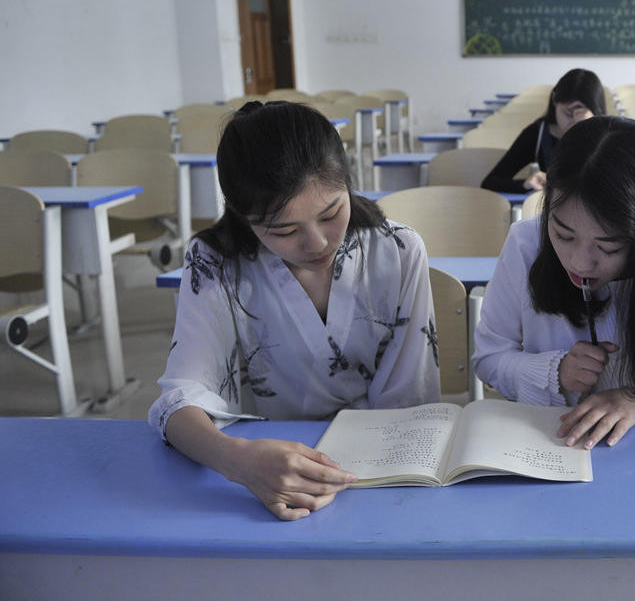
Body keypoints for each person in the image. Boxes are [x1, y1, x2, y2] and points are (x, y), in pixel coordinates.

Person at [148, 101, 440, 520]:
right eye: (284, 231)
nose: (317, 243)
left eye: (331, 213)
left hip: (375, 470)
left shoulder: (397, 251)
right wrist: (237, 460)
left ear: (349, 182)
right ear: (243, 216)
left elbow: (407, 401)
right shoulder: (215, 262)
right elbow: (178, 400)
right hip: (255, 471)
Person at [473, 116, 635, 448]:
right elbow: (489, 358)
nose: (579, 263)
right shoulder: (526, 245)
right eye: (563, 235)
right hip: (546, 448)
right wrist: (555, 373)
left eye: (608, 247)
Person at [480, 68, 606, 193]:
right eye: (568, 113)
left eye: (581, 114)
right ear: (554, 99)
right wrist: (525, 184)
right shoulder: (537, 134)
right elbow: (490, 182)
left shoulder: (607, 133)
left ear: (596, 112)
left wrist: (589, 128)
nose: (573, 120)